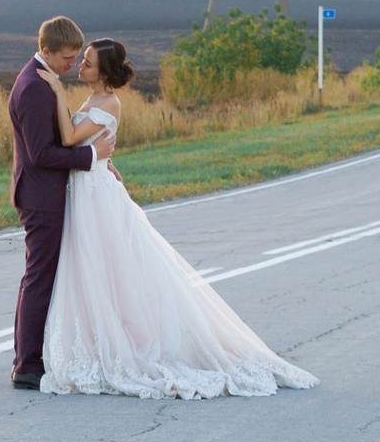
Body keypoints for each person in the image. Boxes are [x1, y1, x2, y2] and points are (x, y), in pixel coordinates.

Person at [38, 37, 316, 400]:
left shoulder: (108, 102)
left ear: (103, 71)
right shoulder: (94, 98)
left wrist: (58, 94)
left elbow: (71, 135)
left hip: (96, 196)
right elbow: (88, 145)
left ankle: (124, 343)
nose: (80, 66)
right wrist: (106, 160)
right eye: (82, 61)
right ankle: (98, 337)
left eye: (87, 62)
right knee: (94, 269)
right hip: (89, 189)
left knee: (109, 267)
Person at [9, 16, 110, 389]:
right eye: (68, 58)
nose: (73, 65)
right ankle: (28, 366)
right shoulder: (35, 87)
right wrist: (91, 157)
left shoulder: (40, 78)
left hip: (42, 193)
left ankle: (26, 358)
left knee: (38, 276)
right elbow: (41, 154)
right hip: (41, 197)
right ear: (46, 51)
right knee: (40, 278)